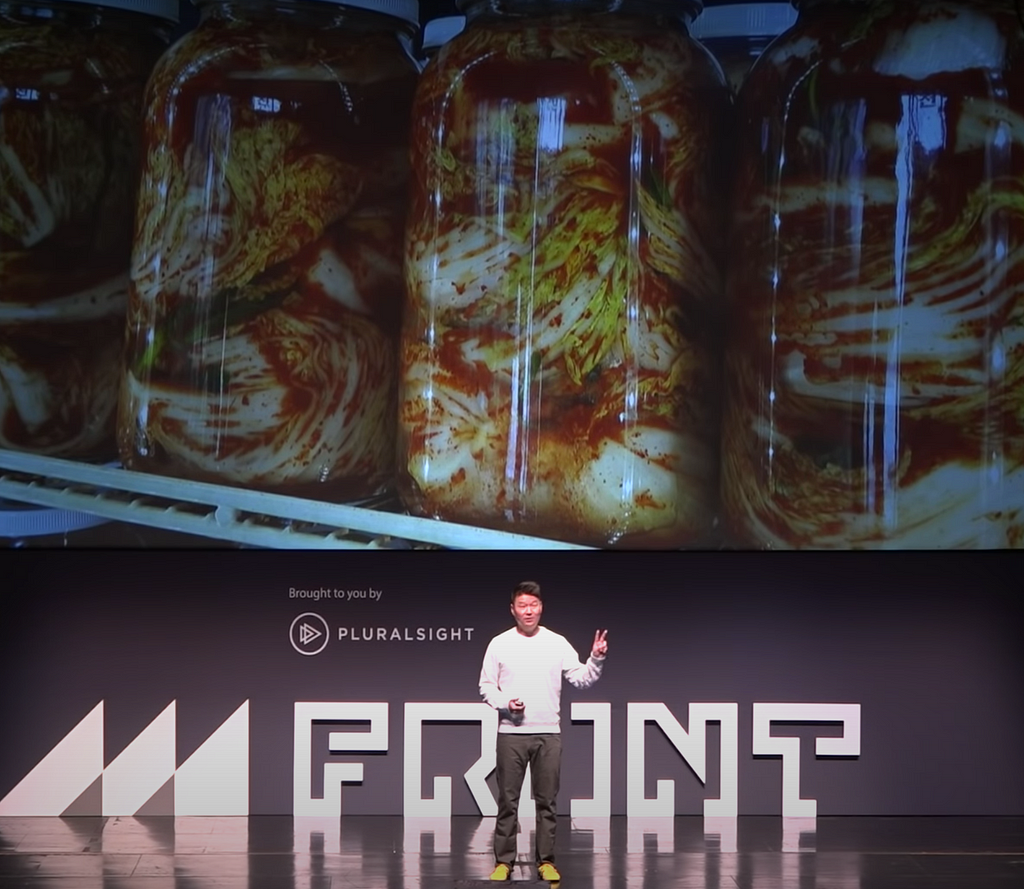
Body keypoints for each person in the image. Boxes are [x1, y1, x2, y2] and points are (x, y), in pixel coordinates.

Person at [479, 580, 609, 882]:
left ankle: (546, 860)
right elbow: (486, 686)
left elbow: (582, 678)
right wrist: (505, 703)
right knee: (507, 802)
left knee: (547, 802)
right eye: (522, 606)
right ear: (512, 610)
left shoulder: (557, 642)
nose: (528, 611)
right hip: (511, 734)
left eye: (533, 605)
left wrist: (597, 658)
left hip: (548, 734)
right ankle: (504, 862)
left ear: (541, 608)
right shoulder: (499, 643)